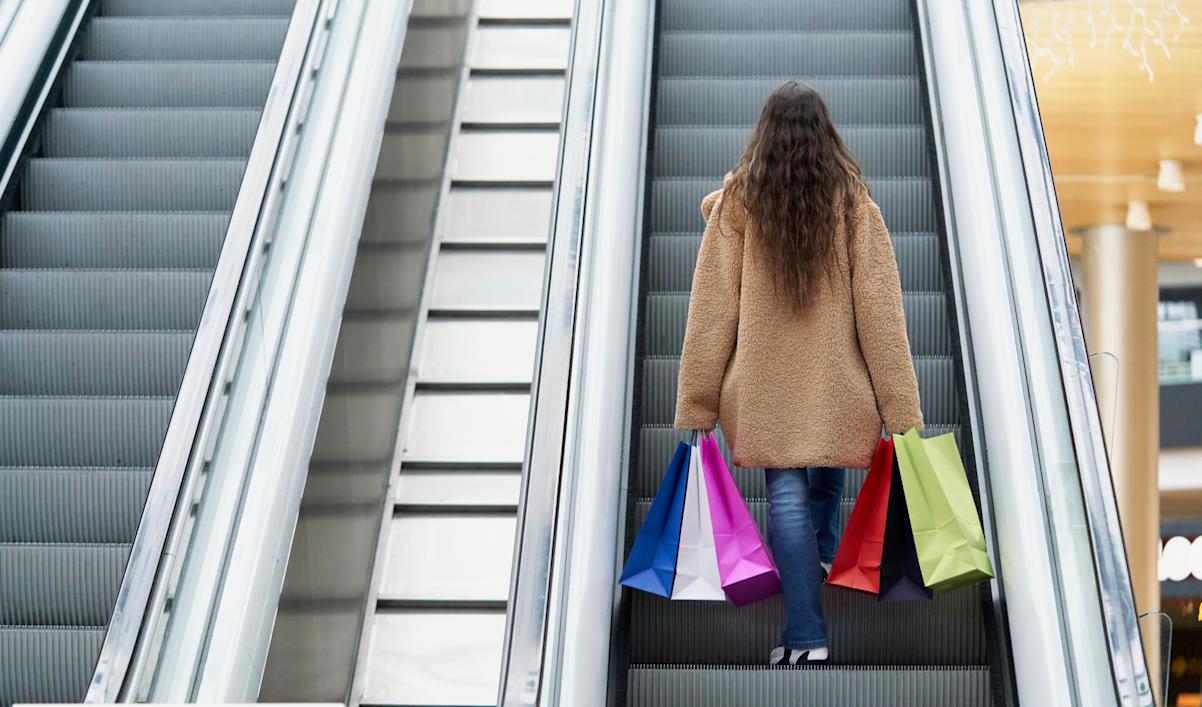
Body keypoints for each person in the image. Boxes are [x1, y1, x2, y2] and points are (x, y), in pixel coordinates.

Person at [673, 81, 924, 665]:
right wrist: (899, 404)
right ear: (825, 134)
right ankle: (813, 555)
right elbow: (882, 312)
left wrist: (699, 399)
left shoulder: (739, 202)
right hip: (840, 382)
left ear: (763, 134)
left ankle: (807, 636)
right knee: (828, 459)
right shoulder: (853, 201)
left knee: (785, 495)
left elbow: (712, 307)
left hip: (764, 385)